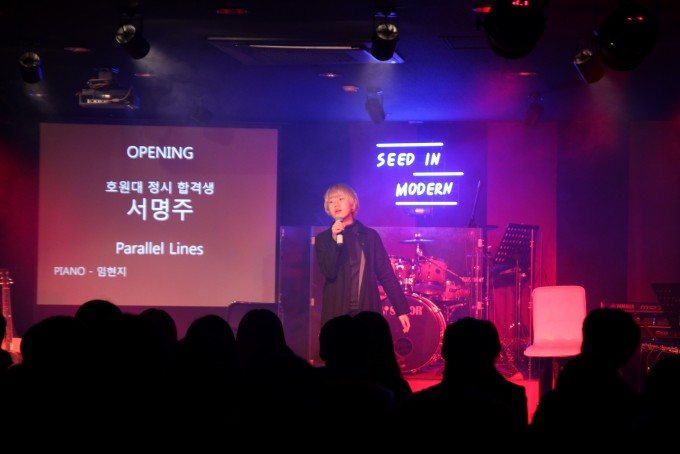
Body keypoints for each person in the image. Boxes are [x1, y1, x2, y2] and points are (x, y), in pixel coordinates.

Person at [313, 183, 410, 334]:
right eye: (331, 201)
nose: (336, 204)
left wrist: (401, 309)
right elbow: (329, 272)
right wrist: (334, 241)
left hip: (366, 310)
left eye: (340, 199)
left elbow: (386, 274)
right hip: (336, 313)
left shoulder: (369, 236)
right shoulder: (323, 239)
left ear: (352, 204)